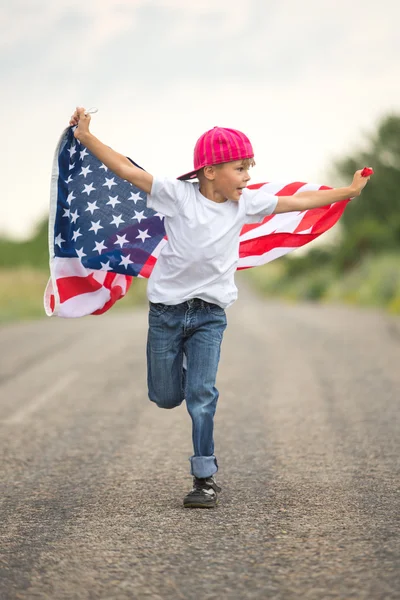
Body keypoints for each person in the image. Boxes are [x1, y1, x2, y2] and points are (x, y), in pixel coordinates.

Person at [69, 107, 371, 509]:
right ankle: (175, 377)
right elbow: (128, 171)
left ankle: (204, 478)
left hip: (209, 315)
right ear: (210, 171)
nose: (248, 176)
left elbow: (300, 201)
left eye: (249, 168)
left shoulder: (245, 204)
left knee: (202, 394)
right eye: (240, 168)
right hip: (167, 314)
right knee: (165, 397)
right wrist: (87, 138)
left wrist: (347, 193)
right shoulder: (177, 196)